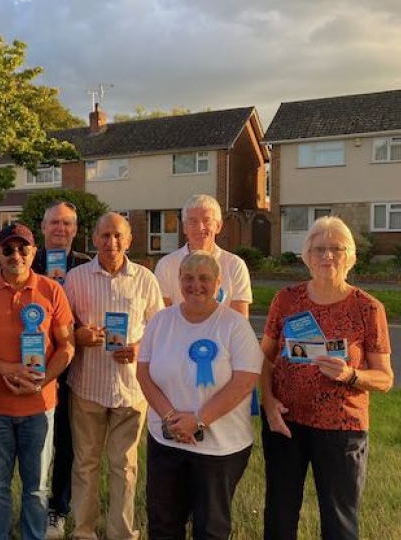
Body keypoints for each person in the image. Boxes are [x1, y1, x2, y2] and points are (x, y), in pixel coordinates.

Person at [260, 216, 393, 540]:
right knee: (279, 513)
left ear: (350, 255)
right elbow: (264, 357)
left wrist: (351, 374)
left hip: (342, 429)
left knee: (339, 521)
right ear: (307, 255)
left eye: (336, 248)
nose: (327, 256)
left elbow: (385, 378)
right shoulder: (287, 299)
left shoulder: (368, 308)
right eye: (319, 248)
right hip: (286, 422)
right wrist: (268, 402)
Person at [136, 251, 263, 539]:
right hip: (165, 441)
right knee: (163, 524)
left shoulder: (234, 325)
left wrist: (199, 419)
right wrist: (170, 417)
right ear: (179, 281)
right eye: (188, 278)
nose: (196, 285)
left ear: (218, 282)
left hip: (218, 448)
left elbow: (245, 380)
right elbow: (143, 373)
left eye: (205, 278)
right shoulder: (160, 321)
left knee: (211, 529)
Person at [0, 223, 75, 540]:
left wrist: (42, 382)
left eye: (23, 248)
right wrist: (7, 368)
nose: (16, 255)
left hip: (40, 407)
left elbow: (67, 347)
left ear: (34, 252)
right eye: (8, 249)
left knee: (37, 487)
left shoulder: (53, 291)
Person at [64, 212, 164, 540]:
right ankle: (83, 531)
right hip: (87, 386)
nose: (112, 242)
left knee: (125, 466)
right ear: (93, 239)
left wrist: (138, 347)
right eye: (105, 236)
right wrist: (78, 335)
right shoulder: (76, 279)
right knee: (85, 464)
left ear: (129, 240)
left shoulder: (145, 279)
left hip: (129, 389)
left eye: (118, 236)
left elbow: (159, 328)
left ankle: (121, 533)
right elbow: (62, 328)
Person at [30, 200, 91, 540]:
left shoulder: (85, 266)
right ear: (42, 227)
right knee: (36, 444)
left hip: (74, 369)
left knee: (67, 443)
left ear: (76, 230)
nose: (60, 229)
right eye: (54, 222)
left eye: (67, 223)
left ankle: (58, 508)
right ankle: (32, 505)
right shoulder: (26, 262)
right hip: (34, 368)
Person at [154, 194, 252, 316]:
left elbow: (240, 321)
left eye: (207, 221)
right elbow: (163, 318)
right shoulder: (166, 265)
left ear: (218, 226)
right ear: (184, 227)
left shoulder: (235, 265)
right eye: (193, 222)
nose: (200, 228)